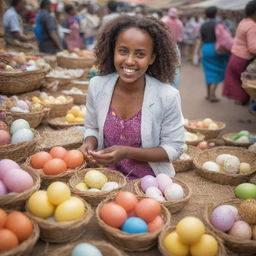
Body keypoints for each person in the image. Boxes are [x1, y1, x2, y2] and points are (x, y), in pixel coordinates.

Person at [80, 16, 184, 179]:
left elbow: (174, 148)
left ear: (152, 58)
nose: (129, 61)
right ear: (113, 50)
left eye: (140, 54)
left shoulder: (167, 96)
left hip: (148, 183)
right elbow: (92, 127)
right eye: (123, 51)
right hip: (104, 177)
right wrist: (89, 143)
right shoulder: (97, 86)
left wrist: (127, 152)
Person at [223, 0, 256, 105]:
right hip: (243, 59)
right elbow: (253, 48)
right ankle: (244, 102)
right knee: (246, 84)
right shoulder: (252, 26)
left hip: (235, 56)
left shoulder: (243, 22)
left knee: (240, 82)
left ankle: (242, 101)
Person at [199, 6, 230, 102]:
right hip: (217, 49)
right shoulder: (219, 24)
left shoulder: (203, 25)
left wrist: (199, 50)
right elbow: (224, 39)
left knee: (208, 72)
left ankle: (208, 94)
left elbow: (202, 39)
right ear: (216, 14)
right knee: (218, 70)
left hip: (206, 48)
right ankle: (213, 94)